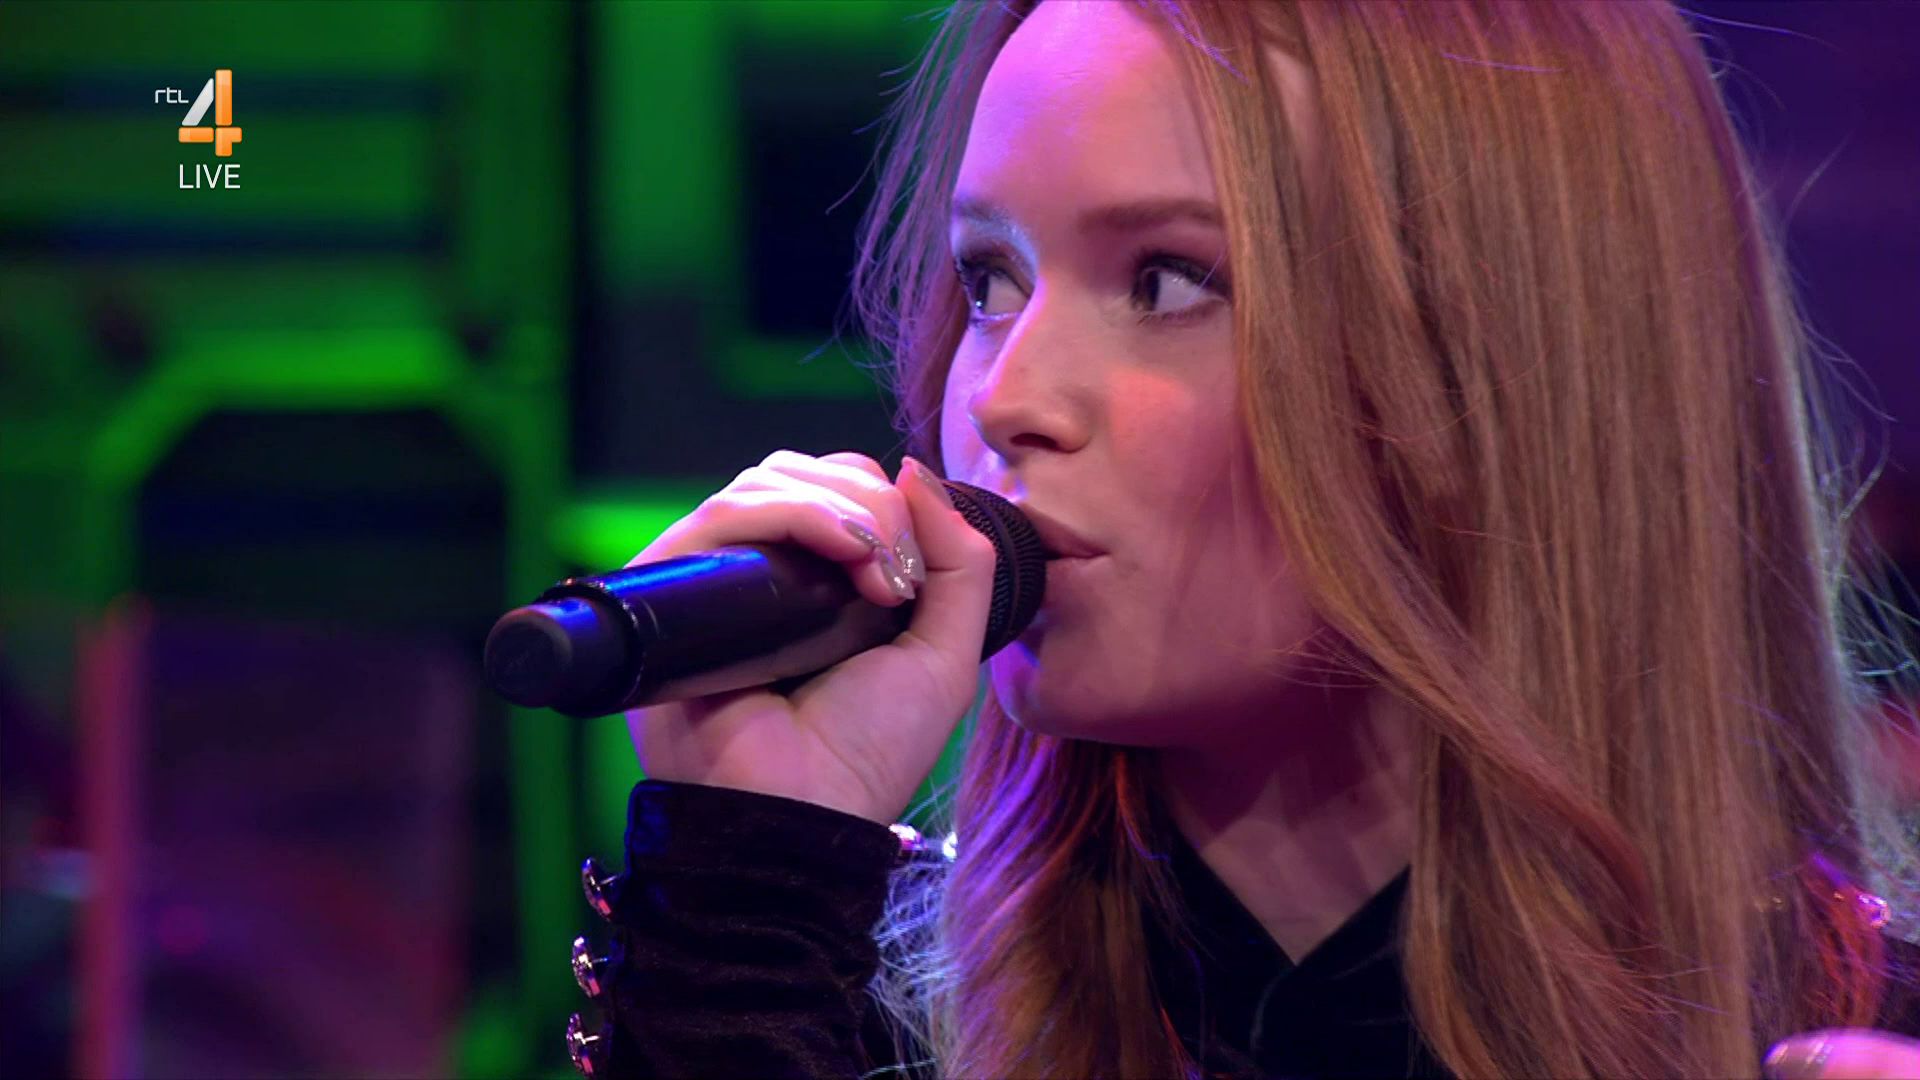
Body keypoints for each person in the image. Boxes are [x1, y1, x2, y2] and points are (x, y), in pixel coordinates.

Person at [561, 1, 1920, 1076]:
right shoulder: (827, 1009)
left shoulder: (1854, 1034)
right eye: (989, 281)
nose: (1003, 399)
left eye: (1166, 281)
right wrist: (739, 905)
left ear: (1496, 374)